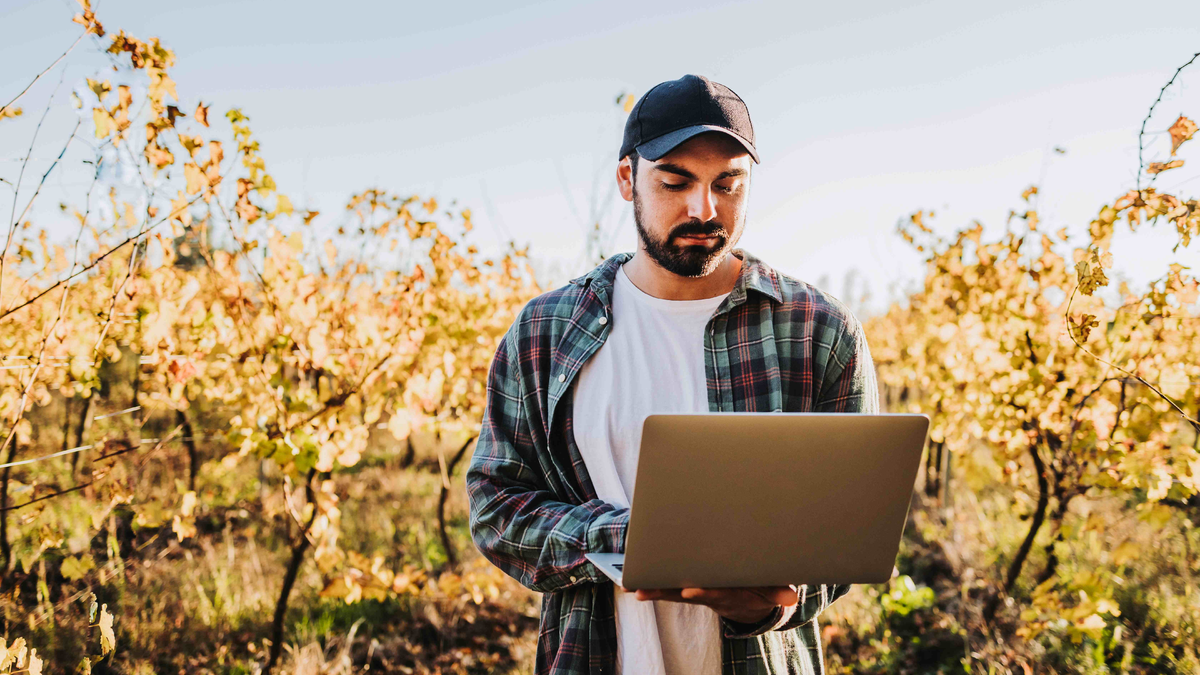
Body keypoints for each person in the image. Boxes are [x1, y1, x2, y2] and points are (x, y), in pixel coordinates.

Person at [467, 74, 880, 675]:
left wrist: (770, 601)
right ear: (626, 179)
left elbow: (848, 529)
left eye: (728, 184)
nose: (704, 209)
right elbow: (495, 503)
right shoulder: (545, 333)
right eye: (675, 181)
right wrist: (624, 539)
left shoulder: (820, 332)